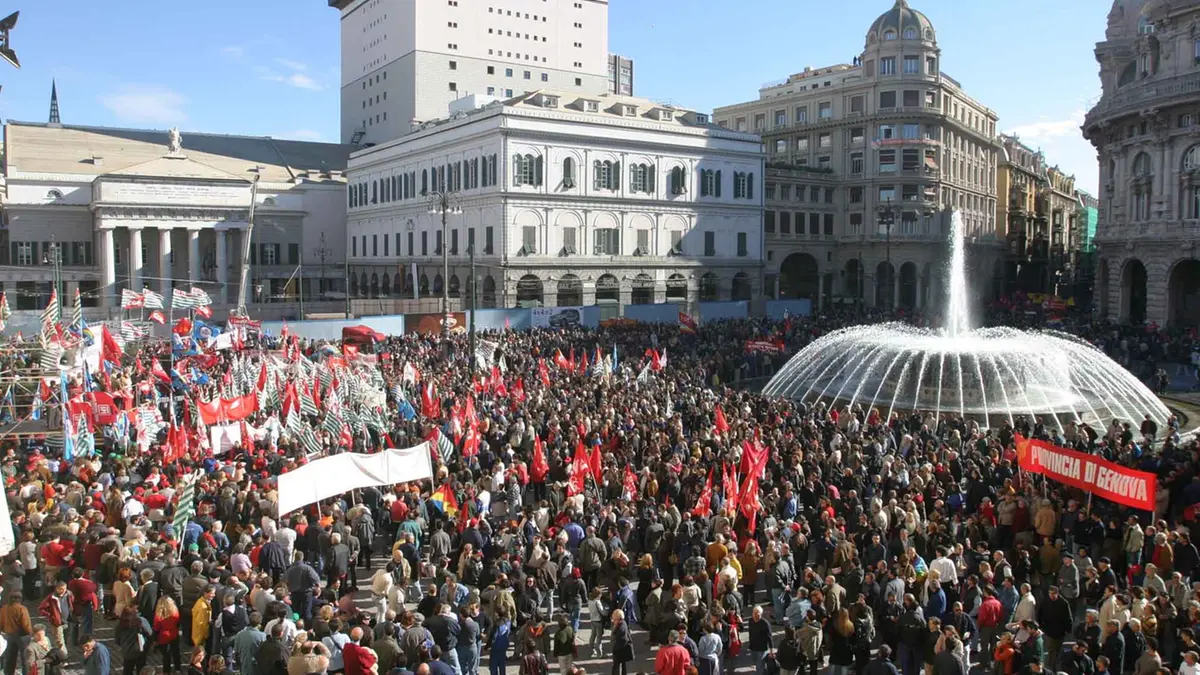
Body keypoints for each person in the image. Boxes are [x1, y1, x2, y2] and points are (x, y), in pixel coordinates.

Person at [114, 608, 152, 675]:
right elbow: (150, 634)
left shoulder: (119, 626)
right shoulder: (140, 622)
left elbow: (117, 641)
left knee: (127, 671)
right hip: (140, 651)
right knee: (141, 671)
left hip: (128, 653)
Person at [153, 596, 183, 675]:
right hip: (174, 634)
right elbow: (177, 623)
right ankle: (178, 668)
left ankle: (166, 671)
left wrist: (154, 640)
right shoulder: (175, 612)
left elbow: (156, 628)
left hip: (163, 637)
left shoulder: (158, 616)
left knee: (166, 655)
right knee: (176, 652)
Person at [610, 608, 634, 675]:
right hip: (621, 649)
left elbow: (617, 636)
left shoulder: (621, 626)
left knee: (617, 667)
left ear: (618, 619)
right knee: (622, 666)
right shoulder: (621, 623)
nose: (612, 620)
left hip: (619, 649)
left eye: (614, 618)